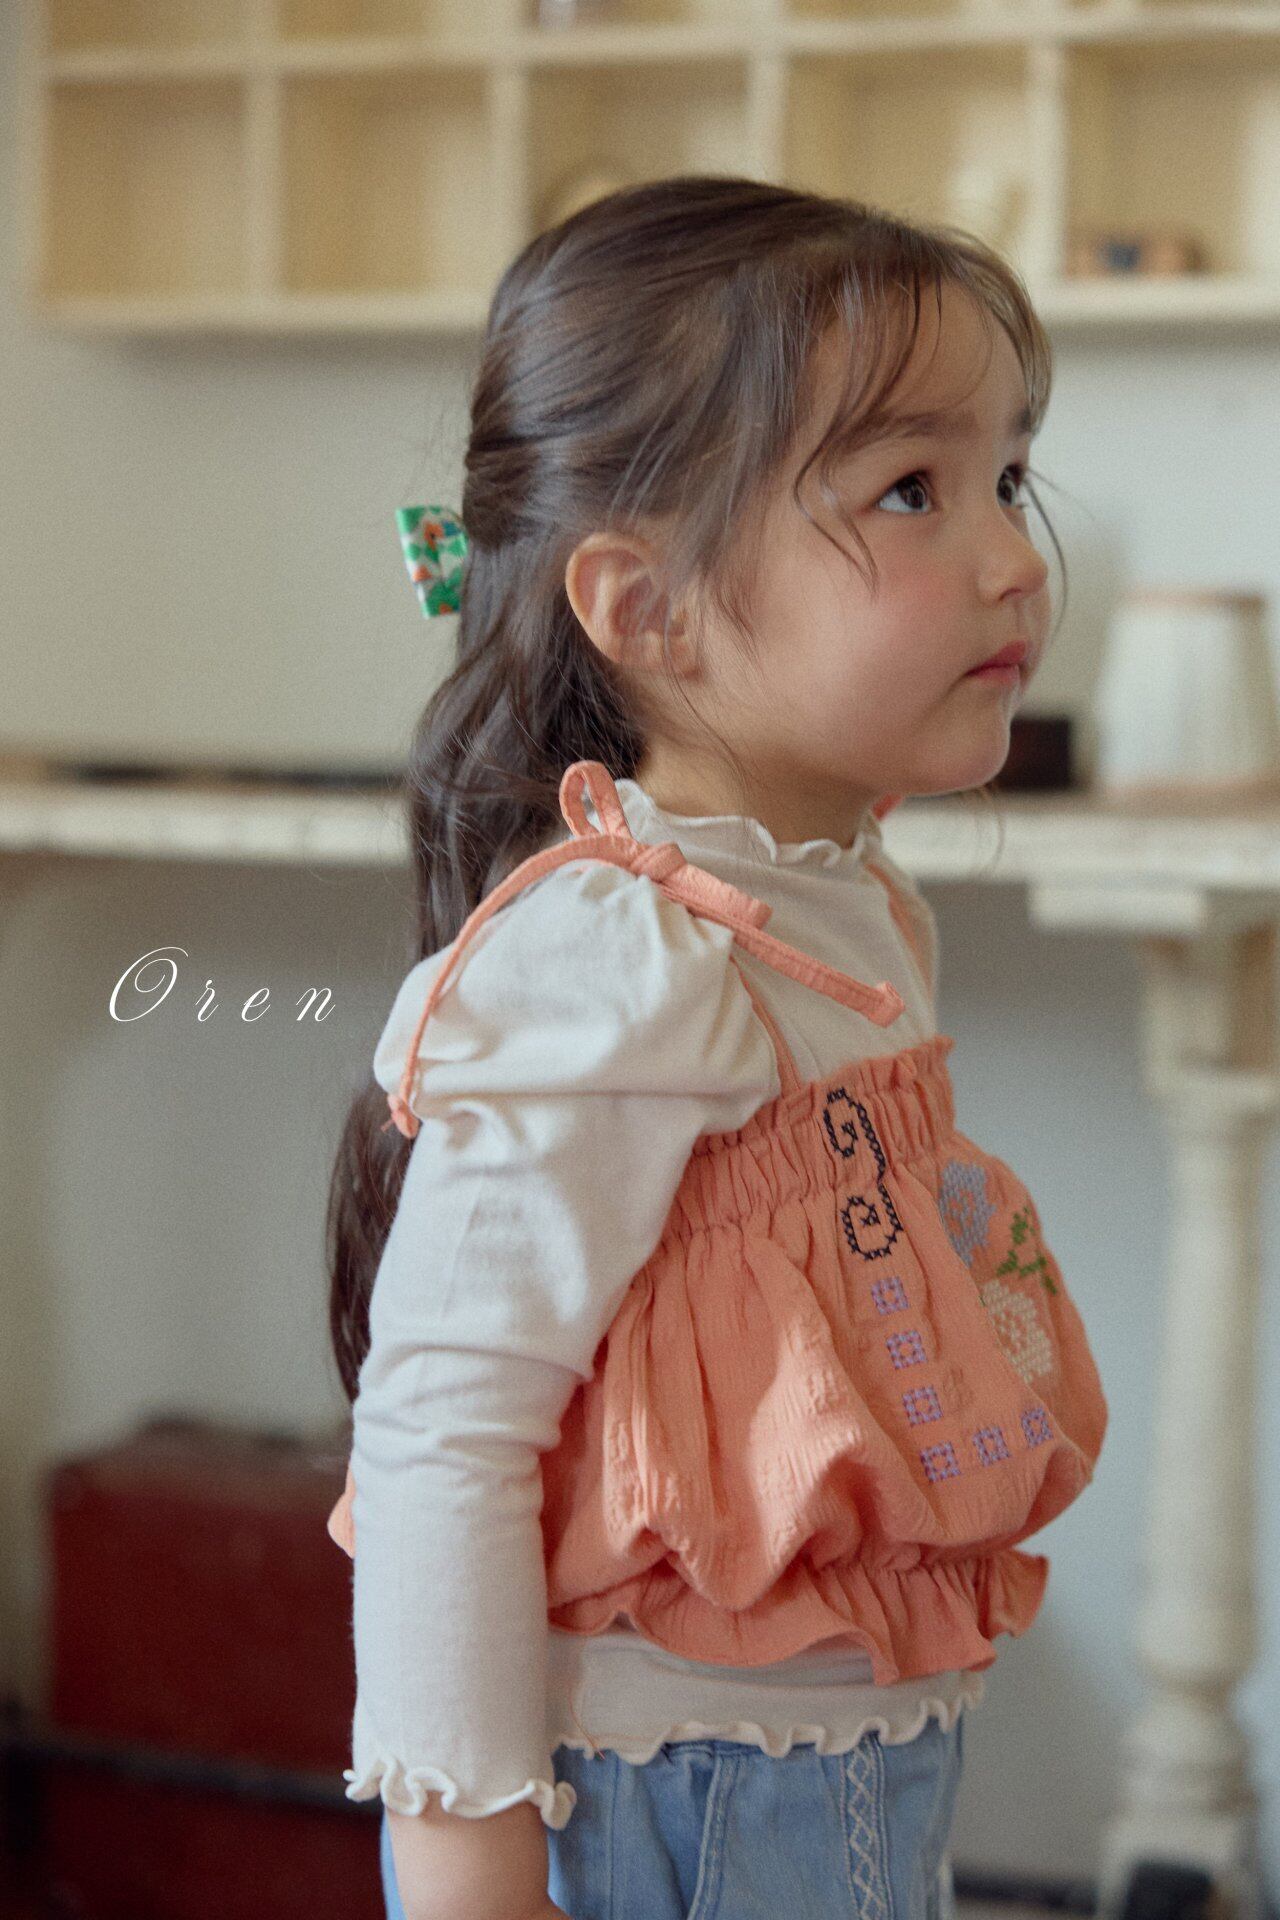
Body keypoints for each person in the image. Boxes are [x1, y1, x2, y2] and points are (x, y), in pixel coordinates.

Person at [323, 175, 1109, 1920]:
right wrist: (466, 1871)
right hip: (685, 1798)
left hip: (846, 1759)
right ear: (652, 609)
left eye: (1007, 477)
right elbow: (445, 1430)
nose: (1011, 558)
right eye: (910, 491)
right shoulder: (626, 953)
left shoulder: (846, 902)